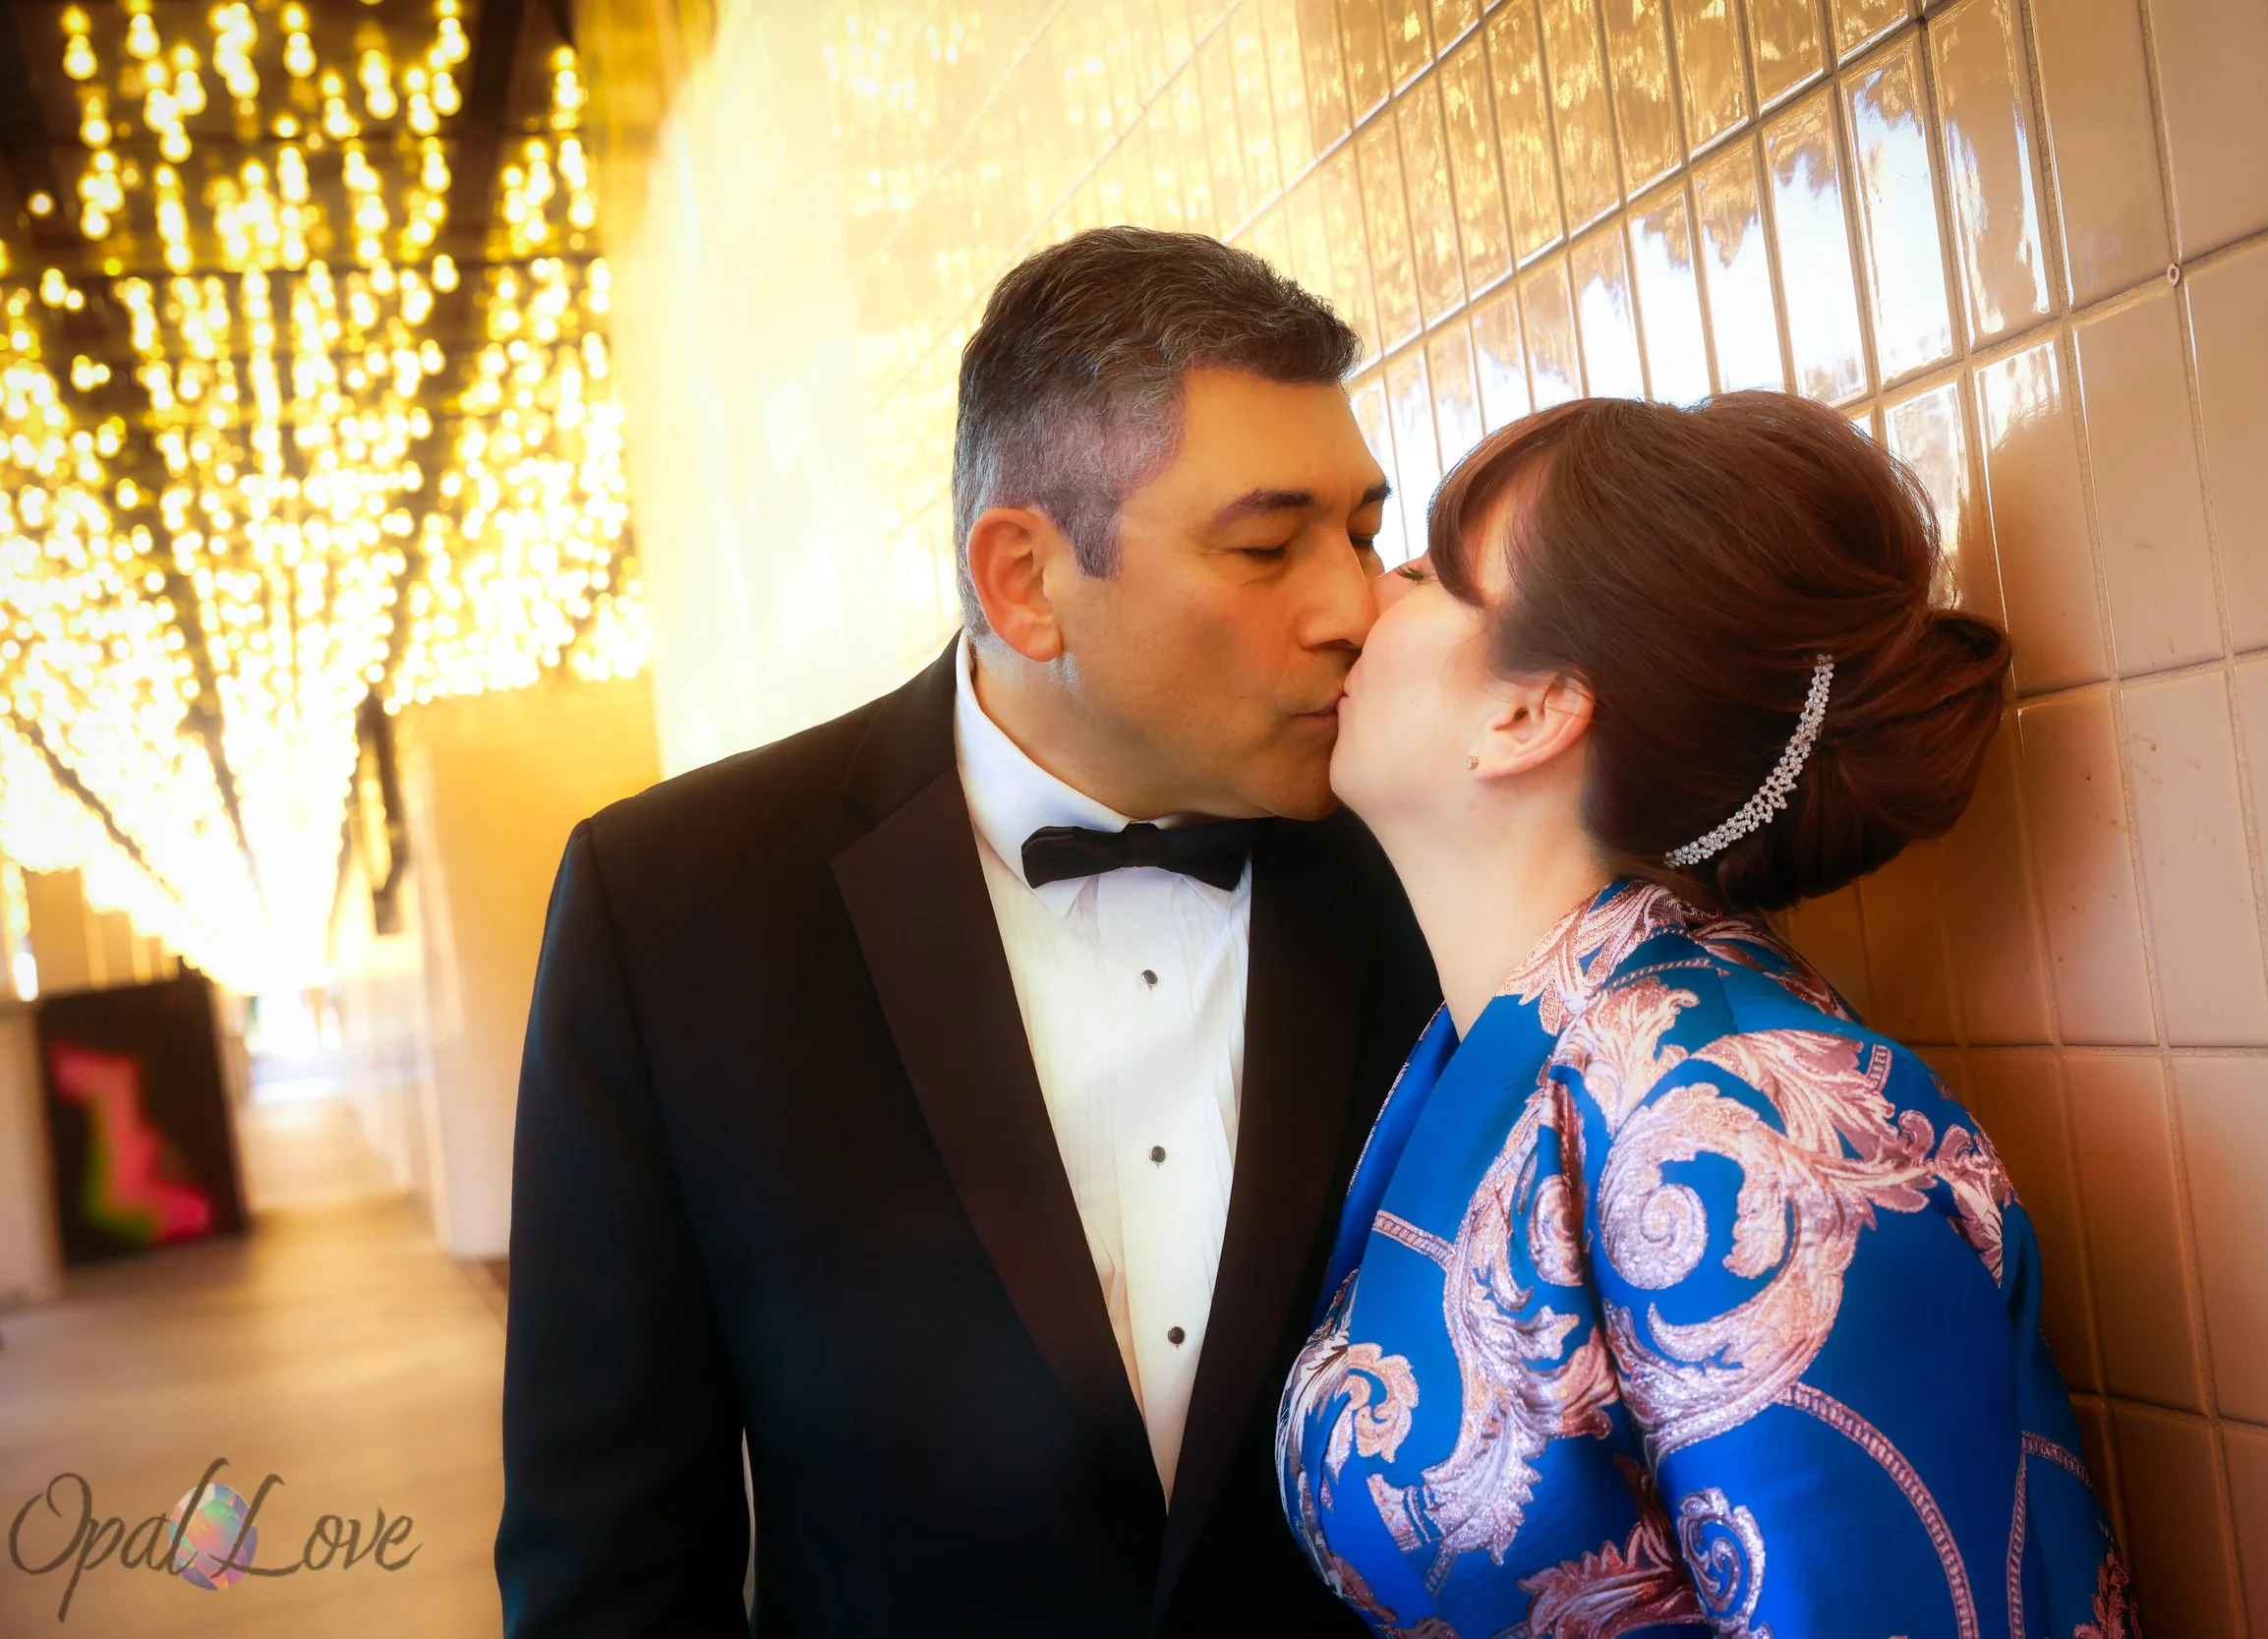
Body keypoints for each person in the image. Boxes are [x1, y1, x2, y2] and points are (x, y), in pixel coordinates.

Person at [495, 227, 1437, 1637]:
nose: (1354, 607)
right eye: (1265, 546)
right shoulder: (676, 906)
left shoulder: (1423, 856)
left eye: (1361, 533)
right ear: (1025, 581)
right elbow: (608, 1561)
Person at [1278, 393, 2136, 1638]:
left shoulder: (1750, 1124)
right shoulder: (1523, 1044)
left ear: (1529, 711)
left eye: (1419, 572)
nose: (1361, 603)